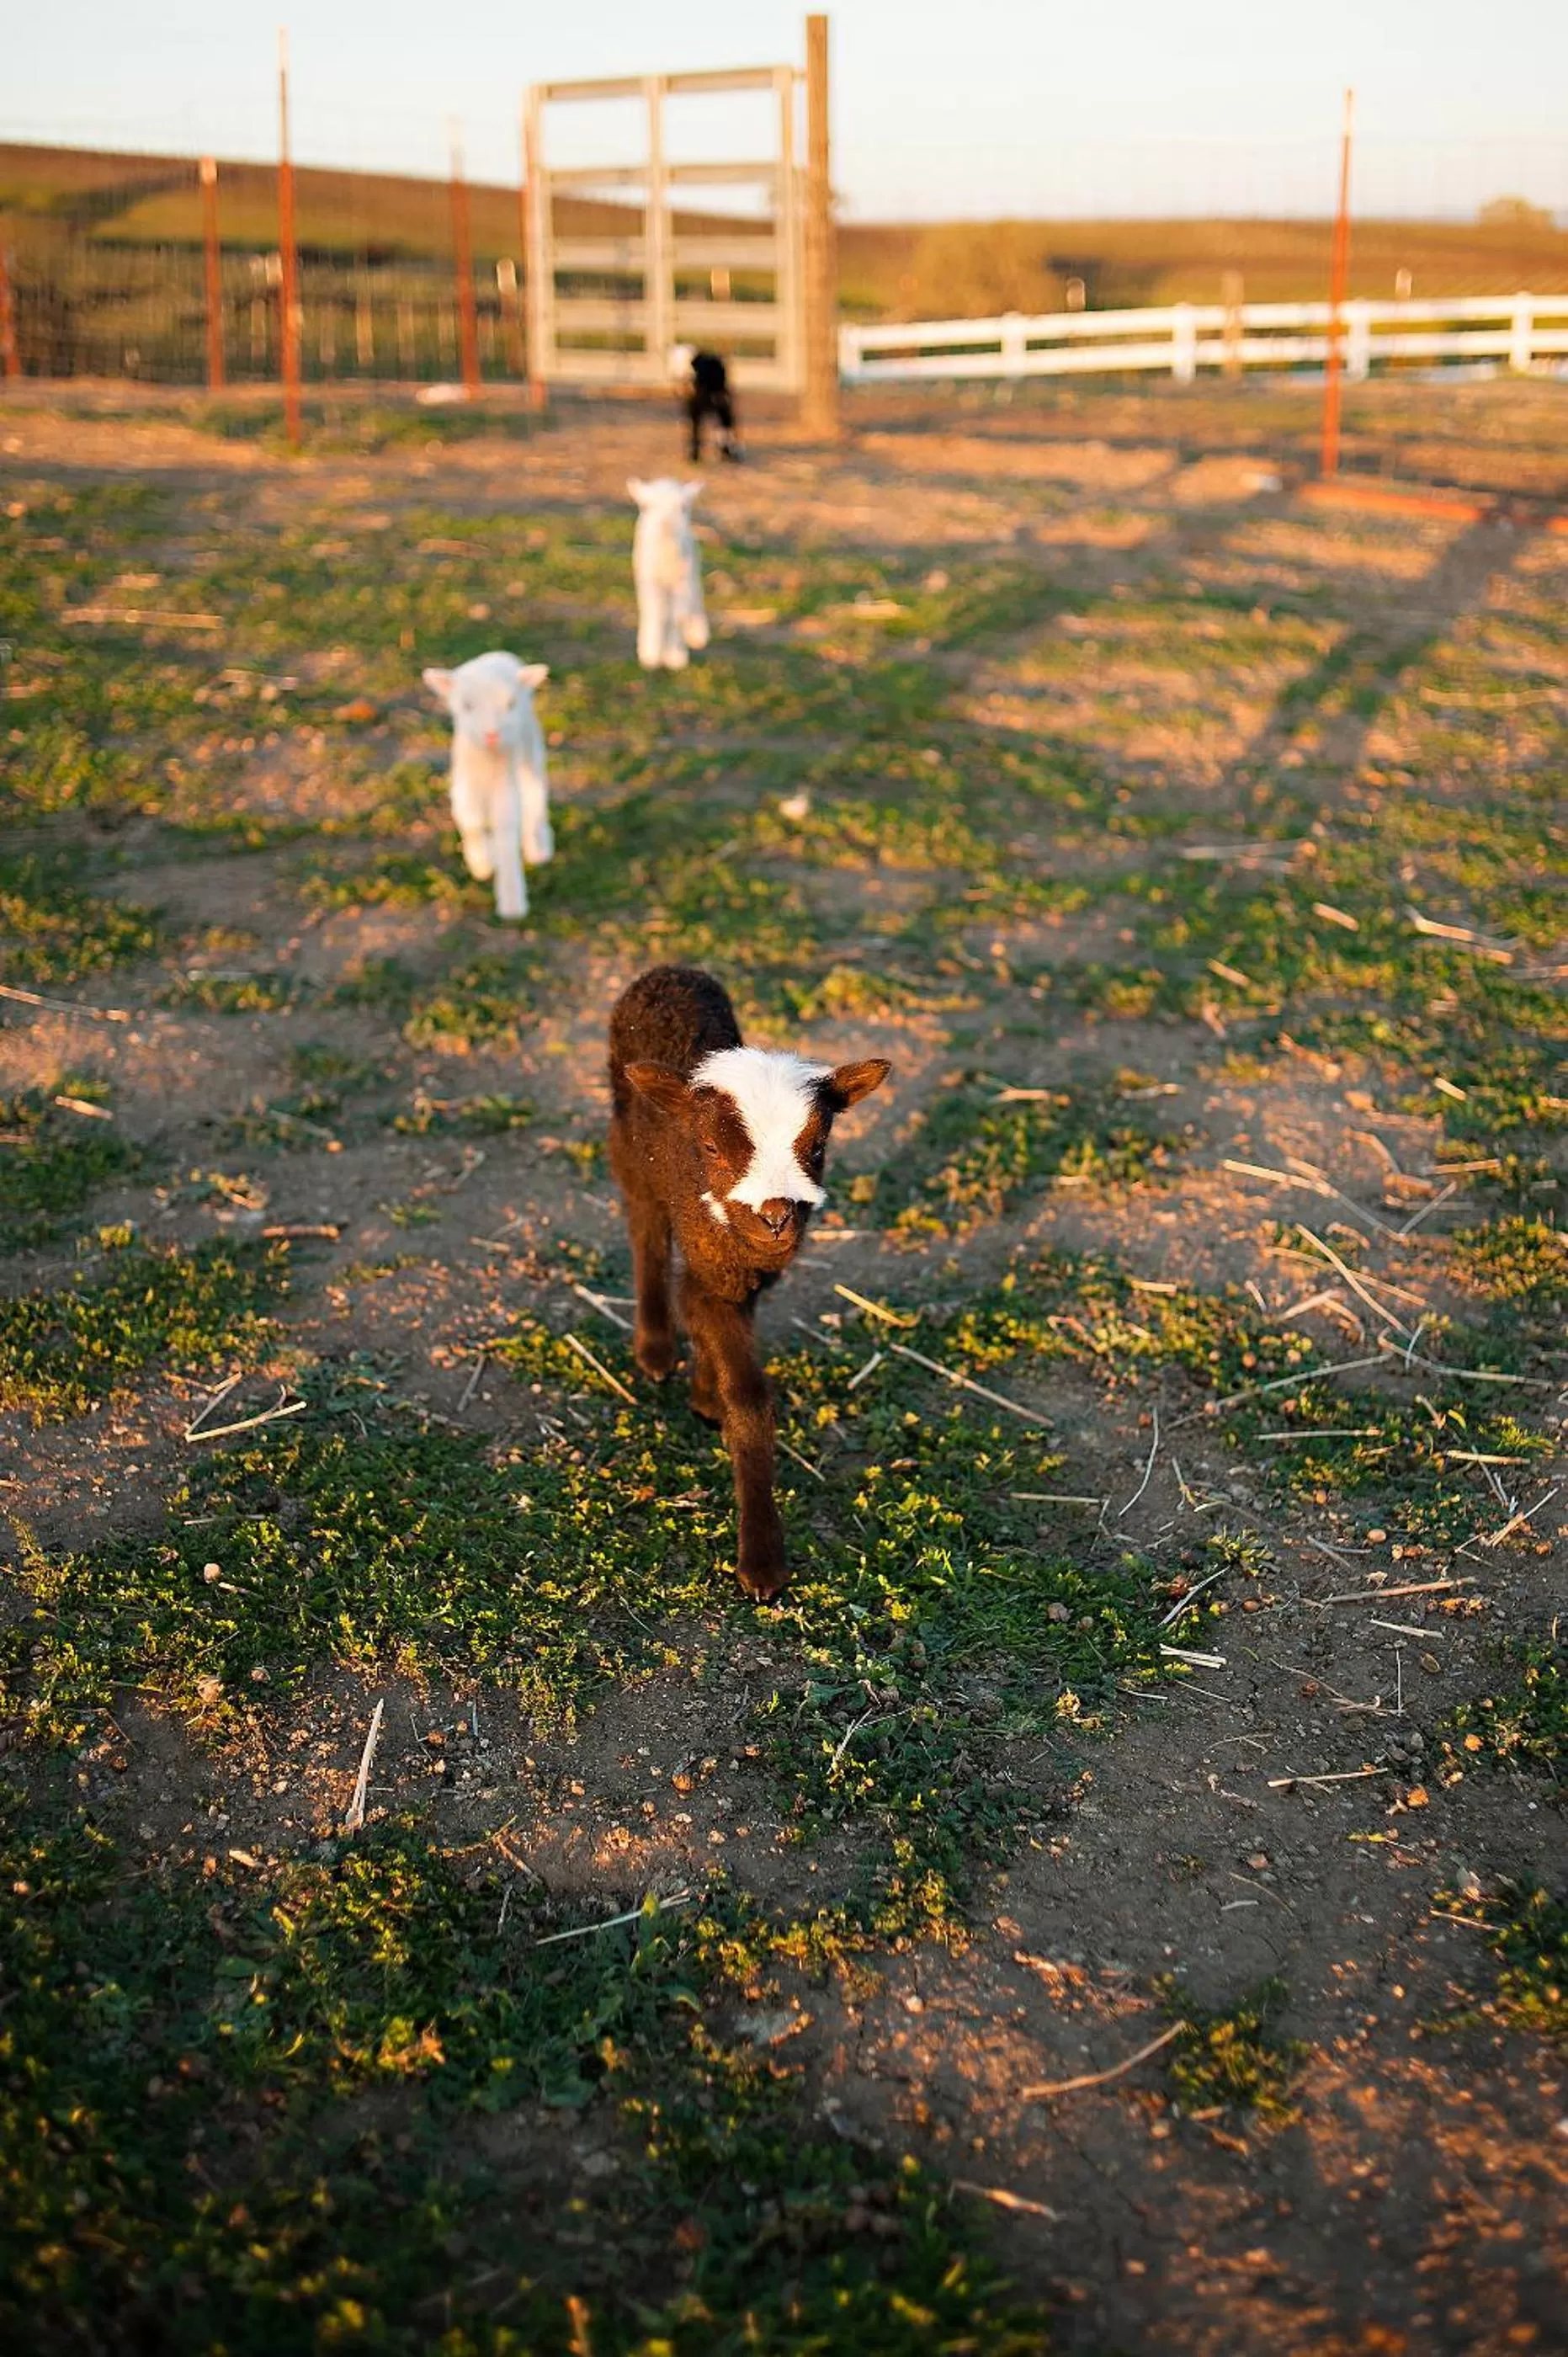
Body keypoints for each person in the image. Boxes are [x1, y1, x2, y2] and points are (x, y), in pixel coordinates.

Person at [680, 348, 741, 463]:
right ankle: (725, 449)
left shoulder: (696, 368)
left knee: (696, 425)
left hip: (698, 397)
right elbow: (723, 387)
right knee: (725, 422)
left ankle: (695, 452)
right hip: (716, 397)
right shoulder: (718, 367)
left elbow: (688, 384)